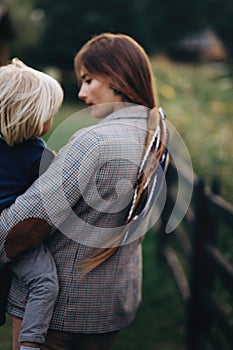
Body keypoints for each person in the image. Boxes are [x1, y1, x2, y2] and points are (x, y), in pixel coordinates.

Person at [0, 33, 169, 350]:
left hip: (58, 312)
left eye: (89, 79)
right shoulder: (156, 136)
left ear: (115, 75)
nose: (81, 92)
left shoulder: (94, 142)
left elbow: (26, 224)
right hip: (111, 304)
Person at [0, 58, 64, 350]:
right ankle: (30, 344)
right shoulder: (38, 154)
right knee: (44, 282)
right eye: (50, 113)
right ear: (32, 115)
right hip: (13, 234)